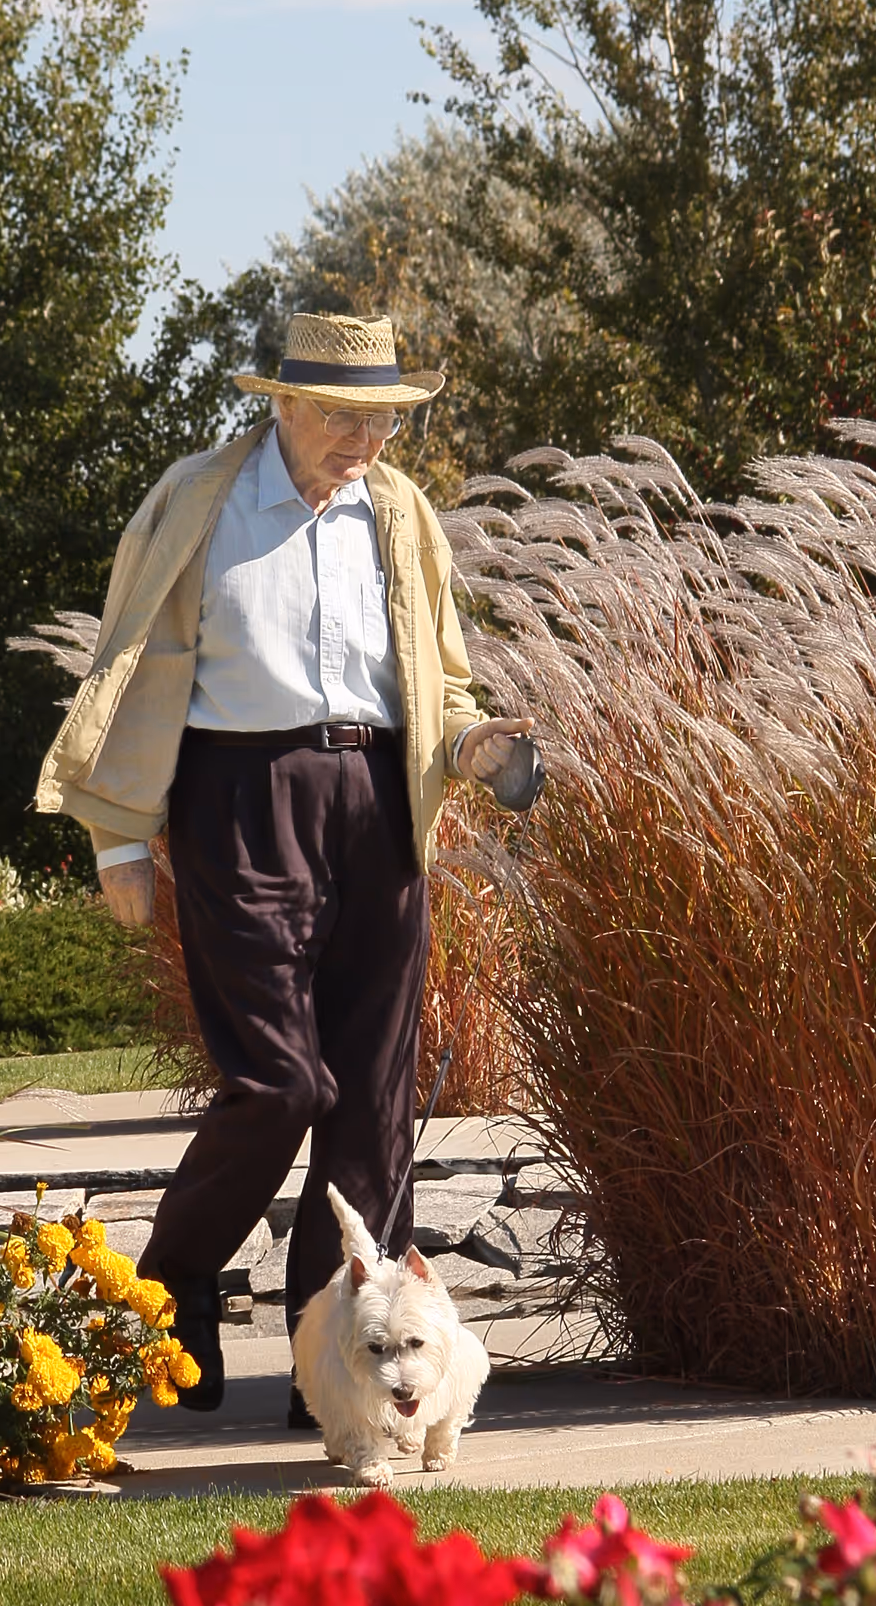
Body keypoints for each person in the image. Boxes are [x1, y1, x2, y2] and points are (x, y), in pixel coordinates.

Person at [35, 312, 533, 1419]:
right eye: (346, 416)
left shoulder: (398, 517)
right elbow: (129, 659)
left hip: (380, 804)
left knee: (371, 1102)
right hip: (237, 799)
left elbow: (438, 683)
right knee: (282, 1082)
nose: (366, 439)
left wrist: (471, 745)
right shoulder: (198, 505)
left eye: (384, 419)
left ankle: (333, 1368)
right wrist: (120, 833)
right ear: (284, 404)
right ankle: (168, 1297)